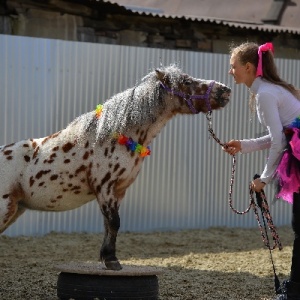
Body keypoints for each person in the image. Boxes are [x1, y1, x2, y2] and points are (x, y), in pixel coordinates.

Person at [224, 42, 300, 300]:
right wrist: (243, 146)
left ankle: (295, 291)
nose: (230, 72)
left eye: (233, 67)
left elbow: (279, 141)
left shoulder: (266, 94)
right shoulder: (267, 91)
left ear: (248, 67)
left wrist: (264, 180)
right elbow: (278, 136)